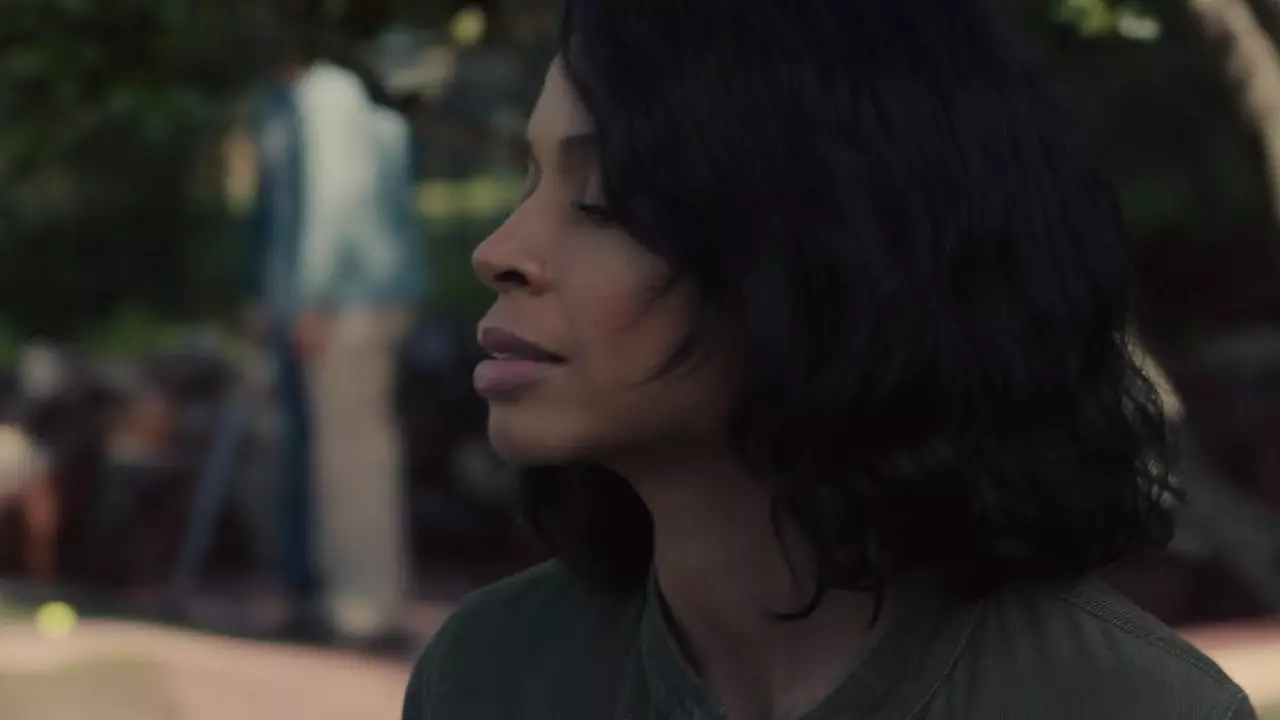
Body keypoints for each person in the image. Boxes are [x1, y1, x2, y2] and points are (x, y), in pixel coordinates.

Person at [401, 0, 1259, 718]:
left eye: (601, 197)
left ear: (837, 247)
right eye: (529, 181)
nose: (499, 252)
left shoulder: (1129, 706)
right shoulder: (489, 677)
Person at [292, 44, 425, 648]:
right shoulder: (371, 109)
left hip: (349, 303)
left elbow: (336, 197)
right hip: (378, 297)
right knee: (364, 452)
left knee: (351, 459)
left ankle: (361, 608)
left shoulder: (326, 94)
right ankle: (365, 600)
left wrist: (312, 294)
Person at [245, 28, 323, 637]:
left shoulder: (330, 103)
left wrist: (312, 297)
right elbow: (270, 212)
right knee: (294, 447)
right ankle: (296, 586)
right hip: (284, 300)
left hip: (313, 303)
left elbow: (327, 211)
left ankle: (314, 587)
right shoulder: (273, 107)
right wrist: (259, 294)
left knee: (323, 450)